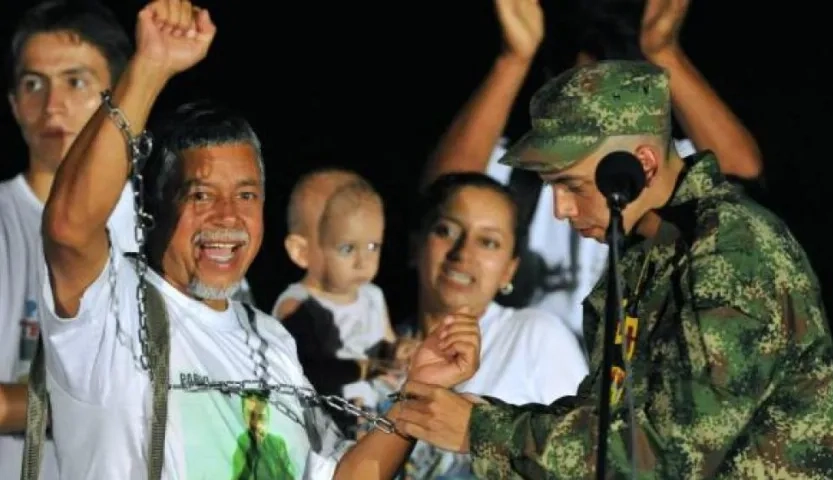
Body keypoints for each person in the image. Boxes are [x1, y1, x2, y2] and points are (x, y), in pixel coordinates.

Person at [34, 1, 480, 478]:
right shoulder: (113, 309)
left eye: (246, 195)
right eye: (201, 194)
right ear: (154, 208)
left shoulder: (271, 341)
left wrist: (417, 391)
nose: (228, 216)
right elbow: (69, 227)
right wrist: (149, 68)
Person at [394, 60, 833, 478]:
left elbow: (670, 454)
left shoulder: (732, 252)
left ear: (642, 165)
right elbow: (609, 422)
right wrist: (477, 416)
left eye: (571, 186)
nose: (560, 210)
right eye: (551, 187)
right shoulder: (646, 250)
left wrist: (482, 431)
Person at [423, 0, 763, 341]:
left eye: (610, 96)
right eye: (576, 90)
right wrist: (513, 60)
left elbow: (741, 172)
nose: (589, 111)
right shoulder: (532, 174)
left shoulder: (664, 172)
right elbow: (445, 191)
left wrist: (663, 52)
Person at [0, 1, 135, 478]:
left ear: (120, 97)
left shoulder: (170, 226)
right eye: (33, 84)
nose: (52, 105)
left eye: (76, 82)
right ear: (13, 103)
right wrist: (99, 403)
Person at [386, 172, 588, 478]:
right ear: (416, 246)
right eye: (446, 231)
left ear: (509, 270)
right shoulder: (376, 342)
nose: (463, 254)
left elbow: (587, 455)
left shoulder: (535, 336)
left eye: (488, 242)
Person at [273, 168, 399, 433]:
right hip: (320, 427)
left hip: (370, 417)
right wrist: (363, 369)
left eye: (373, 246)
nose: (363, 261)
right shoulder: (298, 306)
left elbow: (387, 345)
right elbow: (306, 371)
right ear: (301, 251)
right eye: (347, 248)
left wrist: (399, 352)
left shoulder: (373, 296)